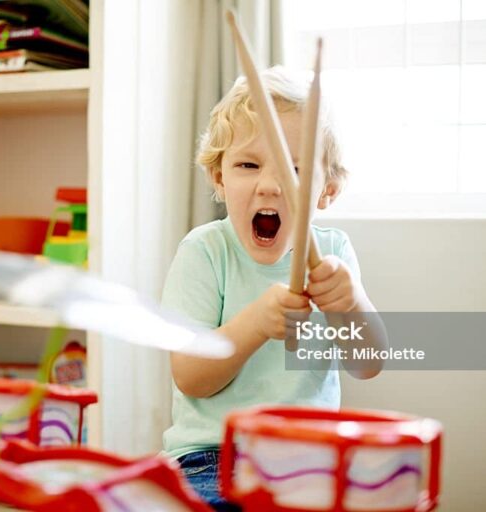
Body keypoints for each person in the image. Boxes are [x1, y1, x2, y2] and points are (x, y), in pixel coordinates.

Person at [162, 66, 388, 510]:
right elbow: (190, 376)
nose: (270, 185)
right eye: (248, 164)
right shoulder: (205, 252)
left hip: (313, 458)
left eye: (296, 170)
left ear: (329, 190)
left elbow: (368, 364)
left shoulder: (334, 252)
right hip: (214, 457)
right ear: (219, 178)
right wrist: (255, 324)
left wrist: (352, 303)